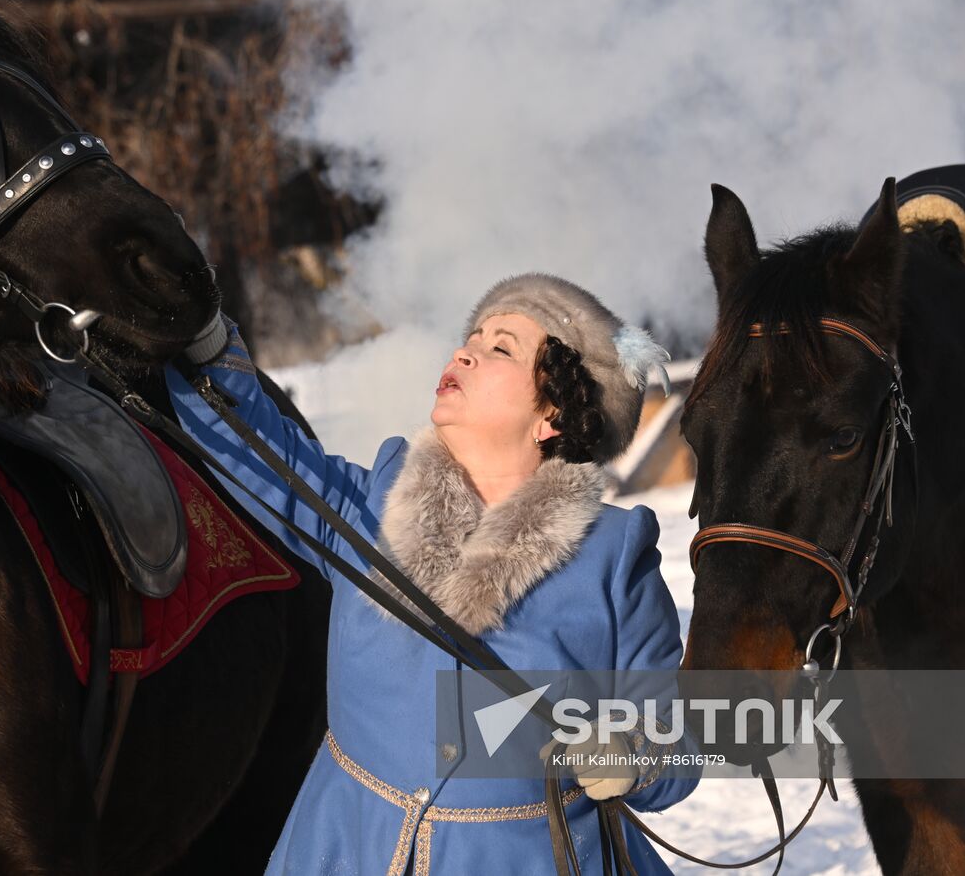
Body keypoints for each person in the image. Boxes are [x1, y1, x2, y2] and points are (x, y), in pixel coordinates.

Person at [166, 273, 695, 875]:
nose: (463, 352)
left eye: (501, 348)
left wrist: (636, 754)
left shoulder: (614, 558)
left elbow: (678, 738)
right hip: (344, 849)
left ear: (552, 415)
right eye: (470, 337)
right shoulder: (371, 504)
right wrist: (202, 336)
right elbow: (259, 448)